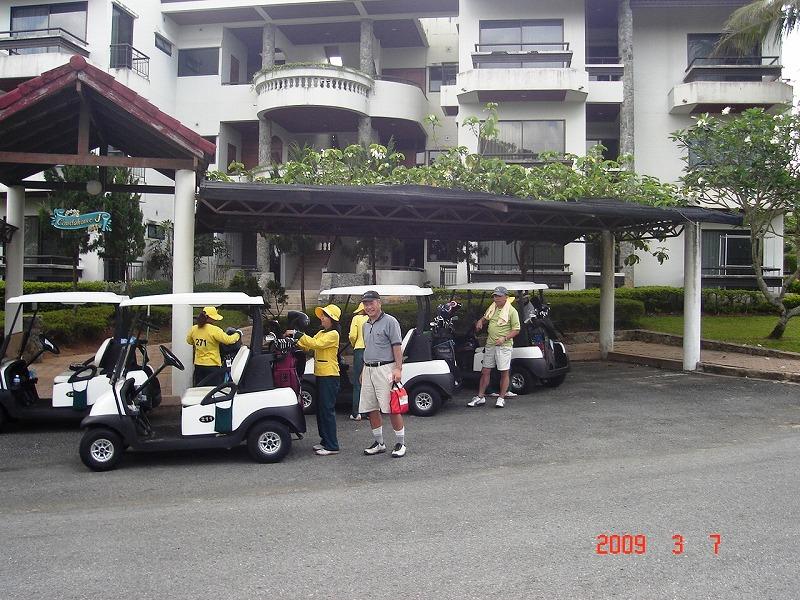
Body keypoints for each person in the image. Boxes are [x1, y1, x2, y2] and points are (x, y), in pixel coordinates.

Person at [286, 304, 341, 456]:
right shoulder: (322, 332)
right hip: (322, 375)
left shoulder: (333, 334)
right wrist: (294, 340)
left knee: (327, 410)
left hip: (330, 375)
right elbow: (308, 345)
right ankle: (325, 441)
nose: (322, 318)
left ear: (332, 319)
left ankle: (332, 445)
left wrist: (296, 334)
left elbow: (315, 344)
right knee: (321, 410)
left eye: (325, 316)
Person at [358, 290, 407, 458]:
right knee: (371, 407)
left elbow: (397, 346)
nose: (368, 307)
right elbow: (368, 349)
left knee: (392, 408)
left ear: (379, 303)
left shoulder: (390, 321)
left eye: (371, 303)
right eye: (365, 304)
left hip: (385, 368)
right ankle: (379, 443)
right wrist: (363, 369)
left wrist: (398, 368)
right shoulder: (365, 325)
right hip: (368, 369)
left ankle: (400, 443)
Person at [468, 286, 521, 408]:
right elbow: (486, 317)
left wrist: (504, 338)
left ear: (506, 297)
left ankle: (501, 398)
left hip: (504, 346)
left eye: (499, 296)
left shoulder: (512, 311)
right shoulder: (493, 307)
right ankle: (480, 397)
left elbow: (516, 329)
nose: (496, 298)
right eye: (495, 296)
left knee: (504, 372)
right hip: (490, 344)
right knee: (485, 371)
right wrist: (480, 321)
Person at [186, 306, 242, 386]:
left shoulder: (194, 329)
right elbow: (229, 340)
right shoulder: (215, 330)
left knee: (199, 388)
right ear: (210, 318)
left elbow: (189, 341)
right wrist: (238, 333)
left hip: (198, 365)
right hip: (212, 364)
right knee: (213, 388)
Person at [348, 302, 369, 421]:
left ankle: (356, 413)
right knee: (368, 382)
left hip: (359, 349)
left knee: (357, 382)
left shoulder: (356, 318)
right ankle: (367, 412)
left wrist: (354, 344)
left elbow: (352, 336)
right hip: (371, 351)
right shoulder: (372, 319)